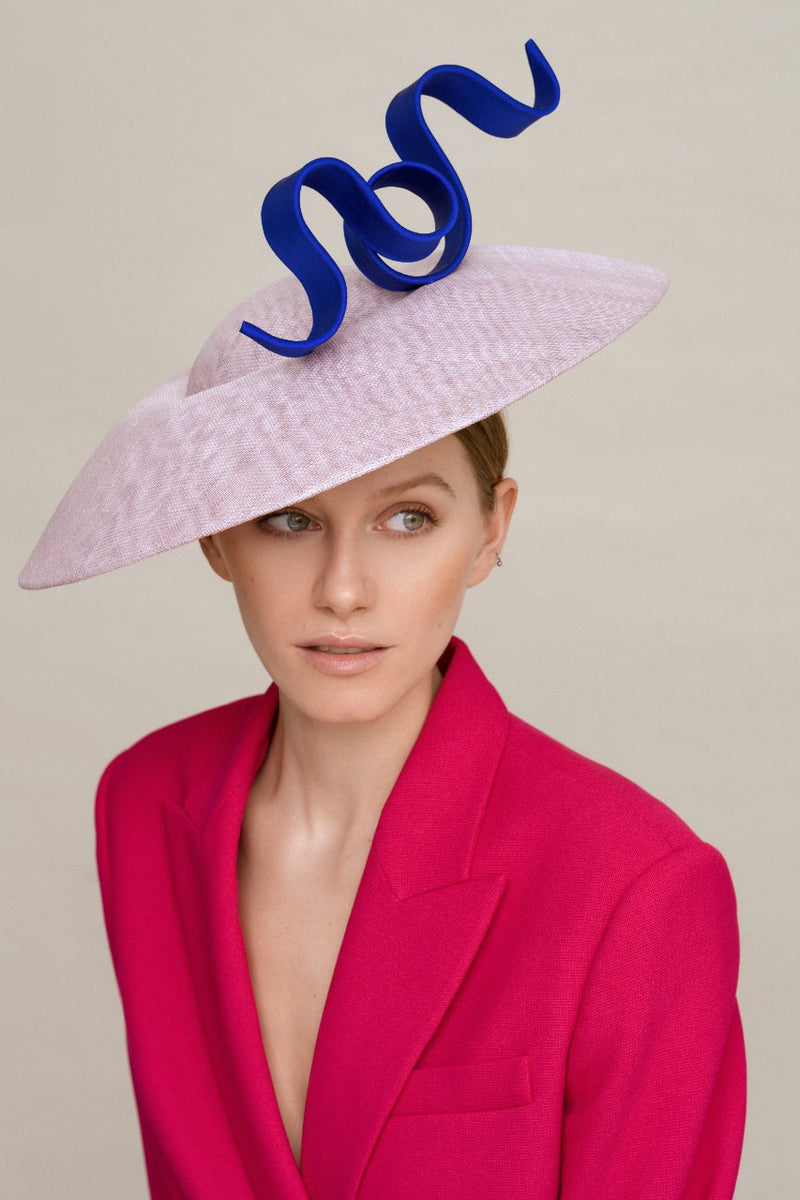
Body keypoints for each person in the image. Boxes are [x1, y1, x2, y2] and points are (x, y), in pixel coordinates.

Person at [19, 38, 745, 1200]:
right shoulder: (145, 805)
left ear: (490, 530)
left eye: (408, 519)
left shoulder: (634, 885)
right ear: (214, 536)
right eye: (289, 521)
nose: (343, 589)